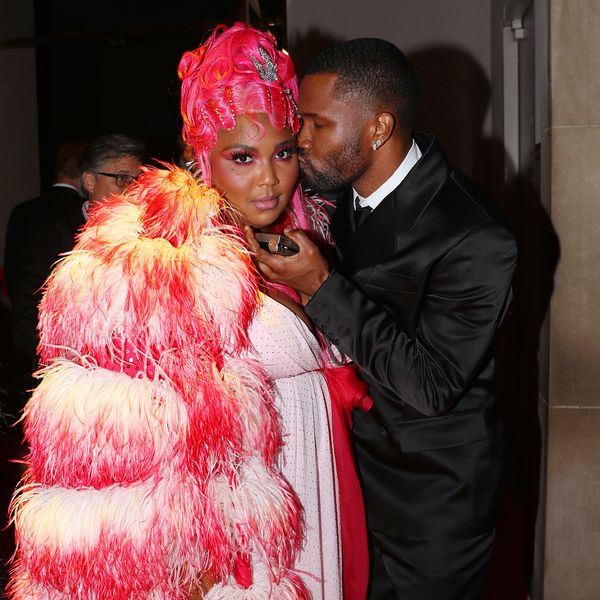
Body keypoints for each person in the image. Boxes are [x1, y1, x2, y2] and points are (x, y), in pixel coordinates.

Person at [8, 24, 368, 599]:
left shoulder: (305, 243)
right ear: (203, 155)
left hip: (314, 494)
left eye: (284, 152)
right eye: (243, 157)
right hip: (232, 551)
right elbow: (132, 450)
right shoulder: (159, 263)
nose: (270, 178)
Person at [247, 38, 518, 600]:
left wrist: (321, 286)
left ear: (378, 128)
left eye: (318, 125)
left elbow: (431, 385)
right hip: (357, 473)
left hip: (433, 500)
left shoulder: (476, 235)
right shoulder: (342, 199)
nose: (301, 140)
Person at [7, 134, 145, 367]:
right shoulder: (52, 241)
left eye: (139, 181)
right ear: (89, 181)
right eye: (122, 179)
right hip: (76, 381)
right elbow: (25, 332)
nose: (132, 191)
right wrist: (93, 342)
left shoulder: (151, 240)